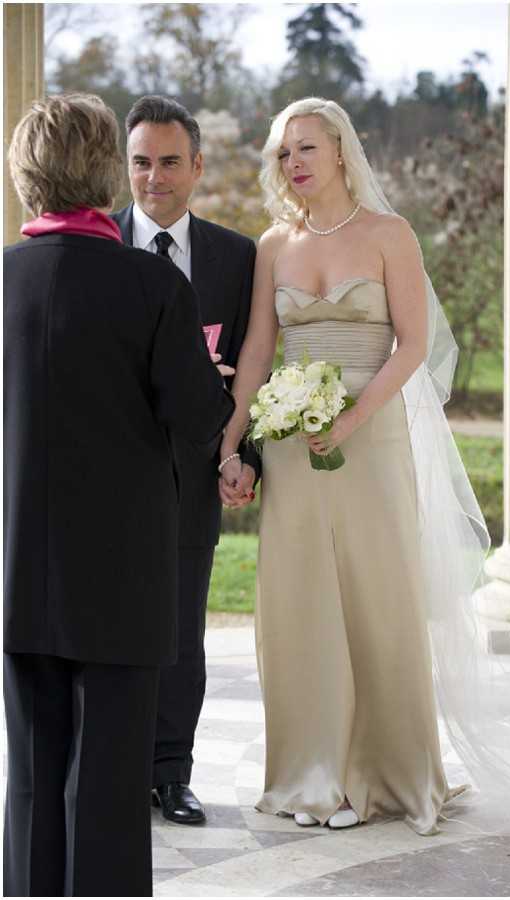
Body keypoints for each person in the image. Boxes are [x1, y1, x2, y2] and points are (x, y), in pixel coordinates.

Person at [219, 97, 510, 837]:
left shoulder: (390, 235)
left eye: (305, 149)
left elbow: (414, 345)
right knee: (301, 607)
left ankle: (383, 776)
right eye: (281, 154)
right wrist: (234, 446)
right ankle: (314, 772)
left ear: (340, 151)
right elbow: (259, 354)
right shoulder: (272, 246)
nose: (293, 164)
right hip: (296, 446)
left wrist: (354, 420)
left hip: (374, 438)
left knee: (377, 601)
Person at [3, 93, 234, 897]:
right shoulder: (153, 287)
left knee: (31, 781)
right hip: (123, 581)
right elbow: (201, 419)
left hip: (20, 574)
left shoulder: (2, 280)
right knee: (105, 788)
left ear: (25, 176)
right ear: (107, 172)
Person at [113, 95, 259, 826]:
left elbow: (256, 365)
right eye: (141, 161)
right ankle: (110, 771)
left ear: (197, 166)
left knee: (180, 633)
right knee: (105, 629)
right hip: (103, 482)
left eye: (170, 161)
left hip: (192, 477)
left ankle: (172, 772)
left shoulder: (238, 258)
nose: (154, 177)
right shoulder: (97, 247)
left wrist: (244, 455)